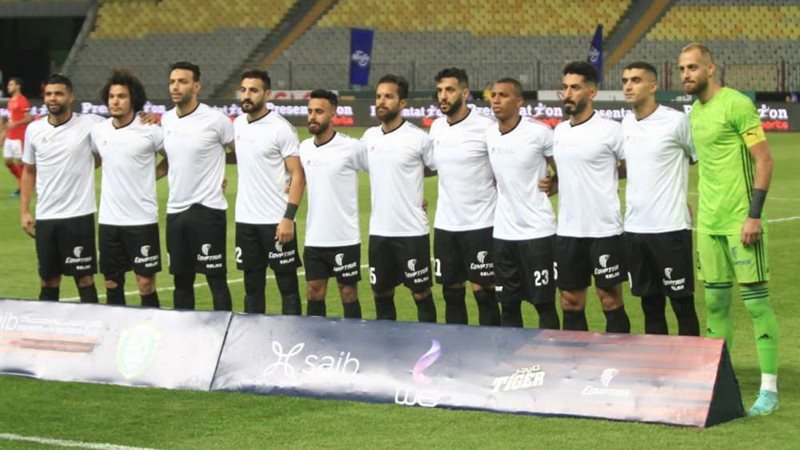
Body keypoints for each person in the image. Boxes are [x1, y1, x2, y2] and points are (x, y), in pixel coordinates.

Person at [679, 43, 779, 416]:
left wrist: (754, 215)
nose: (686, 74)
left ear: (710, 68)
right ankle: (720, 383)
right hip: (709, 225)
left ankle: (769, 390)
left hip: (740, 222)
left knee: (756, 303)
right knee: (715, 304)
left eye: (692, 67)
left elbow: (764, 160)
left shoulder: (736, 104)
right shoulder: (695, 112)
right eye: (682, 69)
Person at [621, 61, 700, 336]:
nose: (628, 86)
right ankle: (659, 363)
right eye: (625, 80)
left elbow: (696, 158)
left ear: (653, 86)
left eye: (636, 80)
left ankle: (690, 362)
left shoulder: (676, 121)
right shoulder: (626, 123)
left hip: (670, 228)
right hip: (635, 229)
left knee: (682, 304)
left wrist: (679, 195)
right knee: (650, 306)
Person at [551, 61, 630, 333]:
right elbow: (565, 170)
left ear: (592, 92)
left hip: (604, 230)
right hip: (568, 231)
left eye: (575, 87)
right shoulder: (559, 132)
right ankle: (576, 358)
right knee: (570, 301)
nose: (567, 94)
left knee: (610, 299)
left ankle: (618, 356)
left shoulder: (611, 130)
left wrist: (606, 176)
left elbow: (630, 166)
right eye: (564, 88)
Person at [20, 73, 102, 303]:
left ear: (71, 97)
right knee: (48, 280)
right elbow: (28, 170)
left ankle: (92, 323)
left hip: (78, 215)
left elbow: (118, 130)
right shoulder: (34, 130)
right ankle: (47, 324)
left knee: (84, 279)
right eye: (48, 94)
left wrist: (146, 117)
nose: (53, 98)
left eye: (58, 94)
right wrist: (24, 211)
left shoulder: (90, 124)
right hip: (46, 216)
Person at [361, 75, 437, 322]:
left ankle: (430, 340)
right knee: (381, 293)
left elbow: (438, 168)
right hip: (379, 232)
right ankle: (387, 343)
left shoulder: (418, 138)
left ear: (402, 103)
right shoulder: (369, 137)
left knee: (420, 293)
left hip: (411, 232)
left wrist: (413, 184)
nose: (381, 101)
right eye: (378, 96)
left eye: (388, 96)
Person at [158, 61, 233, 311]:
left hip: (208, 210)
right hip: (175, 211)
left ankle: (224, 331)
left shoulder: (216, 120)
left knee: (216, 280)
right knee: (181, 281)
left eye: (182, 81)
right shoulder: (166, 120)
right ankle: (185, 332)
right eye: (172, 82)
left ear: (196, 86)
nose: (175, 87)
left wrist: (219, 169)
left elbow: (241, 153)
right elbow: (171, 160)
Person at [429, 67, 500, 326]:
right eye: (440, 90)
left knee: (484, 292)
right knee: (451, 292)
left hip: (481, 224)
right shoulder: (436, 127)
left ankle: (492, 347)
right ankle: (455, 348)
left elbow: (503, 171)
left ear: (465, 93)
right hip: (446, 226)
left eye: (449, 90)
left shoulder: (486, 128)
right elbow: (432, 168)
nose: (443, 96)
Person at [486, 78, 559, 329]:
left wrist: (554, 184)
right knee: (507, 304)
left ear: (519, 102)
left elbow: (564, 169)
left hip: (537, 233)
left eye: (503, 95)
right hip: (503, 234)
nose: (496, 100)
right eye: (494, 95)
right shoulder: (489, 135)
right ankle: (511, 352)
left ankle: (552, 351)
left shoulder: (539, 133)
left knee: (544, 303)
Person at [233, 69, 305, 315]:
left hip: (276, 221)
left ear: (267, 94)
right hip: (245, 221)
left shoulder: (280, 128)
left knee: (287, 286)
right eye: (243, 90)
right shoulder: (238, 124)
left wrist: (288, 218)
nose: (247, 95)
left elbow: (297, 174)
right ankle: (254, 334)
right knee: (252, 287)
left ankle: (292, 334)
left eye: (253, 90)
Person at [90, 69, 163, 307]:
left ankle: (152, 327)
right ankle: (115, 328)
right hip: (109, 220)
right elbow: (95, 159)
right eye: (112, 96)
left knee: (145, 283)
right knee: (111, 282)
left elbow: (173, 158)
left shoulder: (150, 130)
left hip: (141, 219)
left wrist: (151, 176)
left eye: (121, 96)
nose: (115, 101)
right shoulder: (99, 131)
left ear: (133, 99)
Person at [298, 89, 364, 319]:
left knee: (348, 292)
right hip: (314, 237)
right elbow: (295, 179)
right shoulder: (304, 148)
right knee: (314, 291)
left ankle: (354, 336)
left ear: (333, 114)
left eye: (319, 111)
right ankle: (316, 338)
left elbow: (381, 170)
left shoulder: (351, 147)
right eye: (310, 111)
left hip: (344, 237)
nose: (312, 116)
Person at [4, 78, 32, 197]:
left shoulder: (22, 100)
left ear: (18, 86)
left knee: (20, 163)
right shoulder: (11, 101)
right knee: (7, 161)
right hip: (10, 136)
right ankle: (23, 181)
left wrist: (16, 123)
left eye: (11, 84)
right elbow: (11, 118)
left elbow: (28, 118)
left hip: (18, 137)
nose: (8, 86)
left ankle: (21, 188)